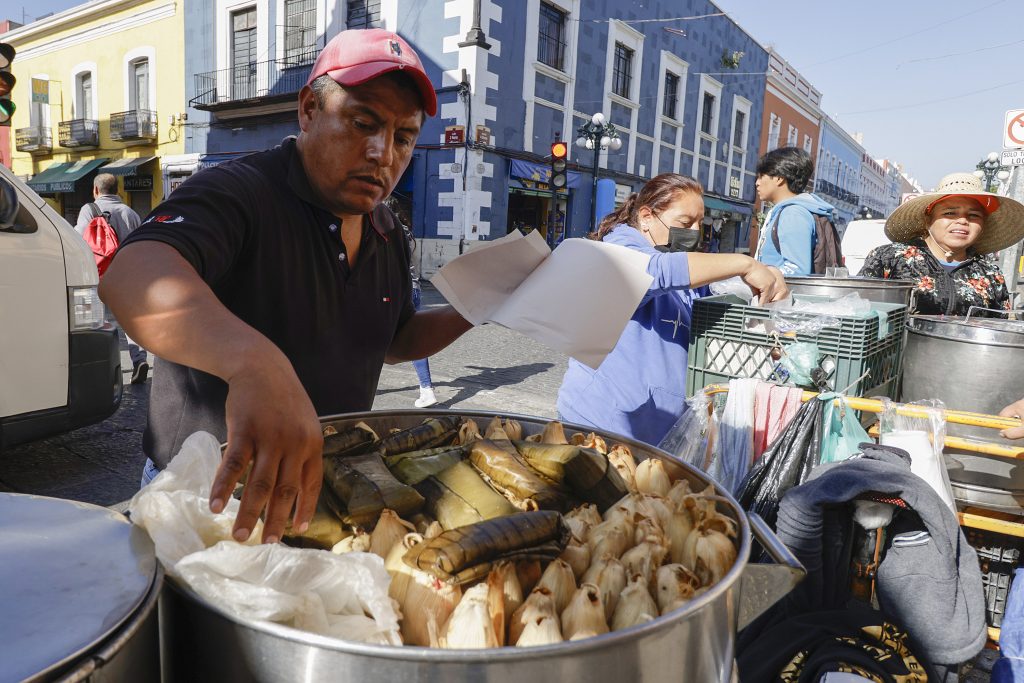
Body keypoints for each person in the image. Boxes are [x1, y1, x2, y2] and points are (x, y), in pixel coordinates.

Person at [99, 29, 473, 544]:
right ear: (309, 110)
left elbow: (395, 341)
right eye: (363, 123)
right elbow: (132, 276)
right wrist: (254, 362)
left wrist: (480, 306)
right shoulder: (241, 191)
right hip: (205, 495)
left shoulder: (387, 230)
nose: (382, 153)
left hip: (325, 487)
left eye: (403, 137)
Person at [556, 173, 789, 446]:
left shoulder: (673, 257)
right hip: (601, 423)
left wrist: (767, 279)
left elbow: (712, 300)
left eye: (700, 223)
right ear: (646, 217)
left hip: (658, 429)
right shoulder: (620, 247)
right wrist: (745, 264)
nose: (694, 232)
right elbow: (656, 273)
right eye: (685, 223)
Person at [860, 172, 1024, 316]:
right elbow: (856, 310)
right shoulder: (889, 258)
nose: (962, 221)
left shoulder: (991, 274)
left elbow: (999, 326)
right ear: (928, 220)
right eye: (950, 213)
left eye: (973, 215)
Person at [74, 173, 150, 384]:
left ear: (95, 190)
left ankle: (106, 368)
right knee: (130, 321)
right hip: (126, 276)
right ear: (118, 190)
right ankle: (139, 359)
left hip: (98, 276)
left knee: (99, 324)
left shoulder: (89, 210)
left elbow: (79, 240)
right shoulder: (130, 213)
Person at [753, 147, 836, 275]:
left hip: (784, 288)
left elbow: (796, 270)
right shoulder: (788, 211)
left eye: (761, 176)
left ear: (779, 178)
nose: (757, 183)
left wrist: (757, 276)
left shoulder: (793, 214)